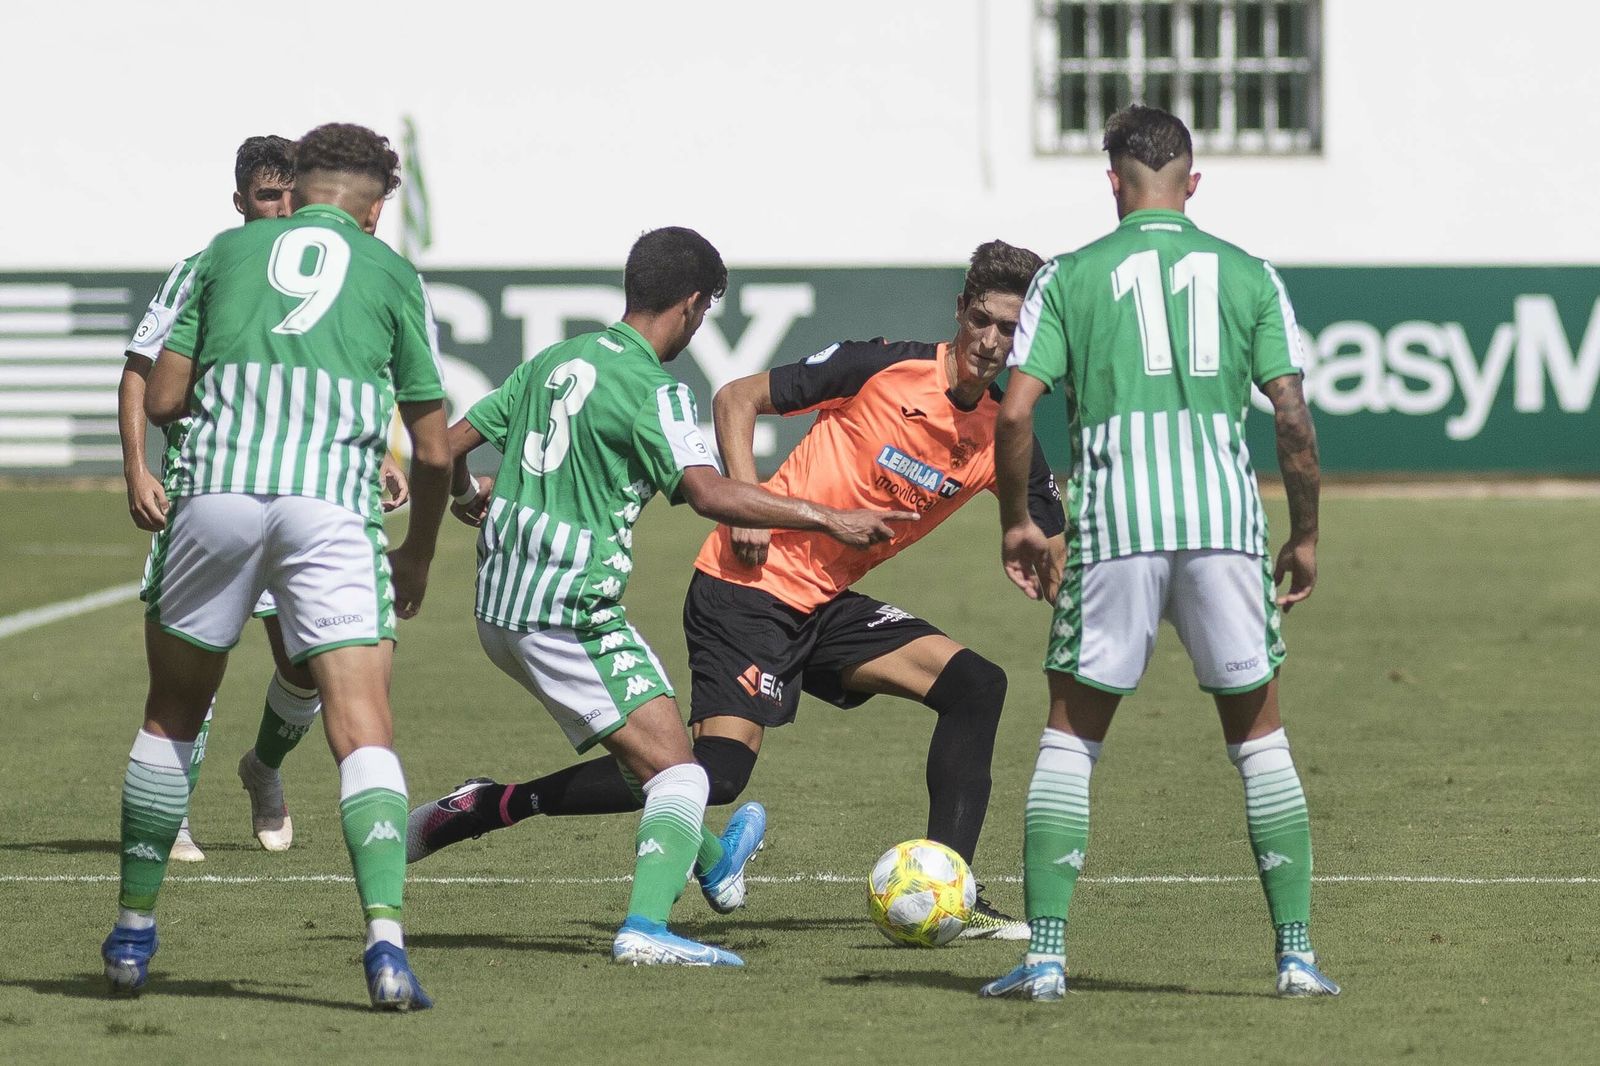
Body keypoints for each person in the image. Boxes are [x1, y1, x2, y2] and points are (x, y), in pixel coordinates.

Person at [409, 240, 1067, 939]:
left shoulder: (1008, 433)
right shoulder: (882, 366)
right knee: (712, 777)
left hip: (823, 602)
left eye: (1009, 329)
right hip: (745, 589)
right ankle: (498, 803)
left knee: (975, 686)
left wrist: (1080, 597)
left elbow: (1055, 546)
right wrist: (746, 503)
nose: (991, 342)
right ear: (960, 311)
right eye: (982, 321)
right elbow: (737, 396)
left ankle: (951, 890)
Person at [978, 105, 1337, 1000]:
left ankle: (1047, 958)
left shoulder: (1068, 276)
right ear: (1192, 182)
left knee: (1071, 739)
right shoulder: (1251, 274)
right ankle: (1295, 957)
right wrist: (1305, 534)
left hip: (1113, 530)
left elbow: (1015, 413)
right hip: (1224, 527)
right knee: (1260, 739)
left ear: (1113, 181)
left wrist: (1019, 522)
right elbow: (1292, 417)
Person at [102, 122, 451, 1011]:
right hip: (328, 508)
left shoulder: (222, 254)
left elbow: (165, 395)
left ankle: (133, 935)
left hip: (215, 494)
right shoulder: (391, 273)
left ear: (296, 186)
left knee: (170, 716)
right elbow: (433, 447)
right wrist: (416, 553)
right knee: (363, 732)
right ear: (375, 206)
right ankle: (385, 948)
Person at [118, 135, 410, 861]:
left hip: (302, 491)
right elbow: (142, 373)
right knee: (195, 666)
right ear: (240, 201)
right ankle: (173, 816)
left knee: (308, 665)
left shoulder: (332, 270)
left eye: (288, 194)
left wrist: (375, 454)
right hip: (206, 491)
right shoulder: (209, 265)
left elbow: (340, 377)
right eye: (265, 196)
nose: (280, 208)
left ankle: (264, 767)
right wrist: (137, 470)